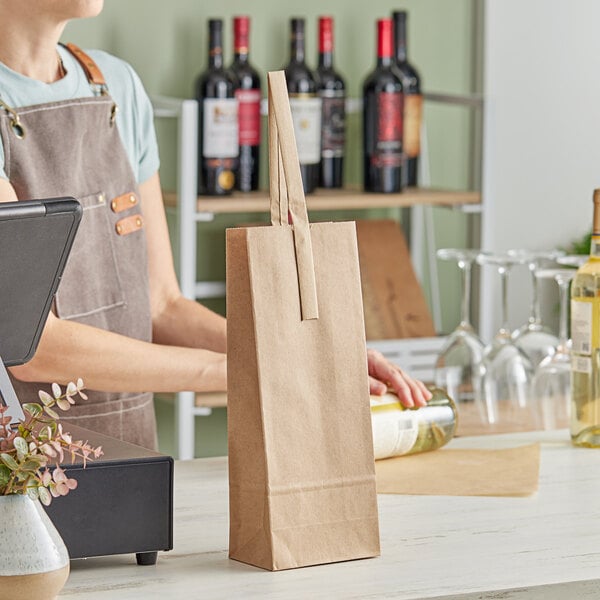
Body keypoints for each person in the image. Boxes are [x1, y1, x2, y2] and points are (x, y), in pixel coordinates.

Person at [0, 0, 431, 450]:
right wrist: (237, 369)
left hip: (131, 448)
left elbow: (161, 304)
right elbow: (33, 346)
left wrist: (304, 350)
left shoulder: (115, 86)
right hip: (17, 464)